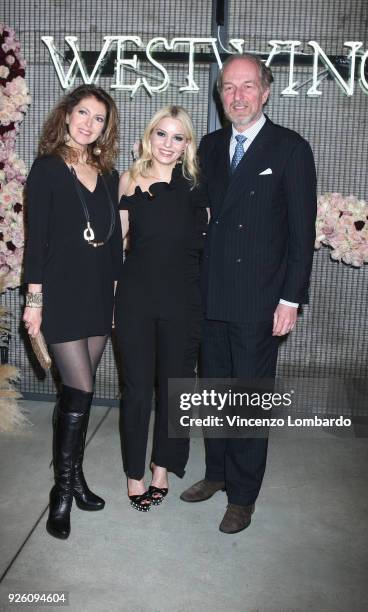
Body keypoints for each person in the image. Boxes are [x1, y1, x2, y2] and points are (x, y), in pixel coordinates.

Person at [180, 54, 317, 533]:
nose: (237, 96)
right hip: (210, 295)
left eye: (247, 86)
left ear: (266, 92)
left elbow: (302, 235)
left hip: (260, 302)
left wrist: (290, 299)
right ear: (221, 97)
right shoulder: (211, 147)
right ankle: (215, 473)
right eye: (228, 88)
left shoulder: (290, 149)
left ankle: (242, 495)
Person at [23, 84, 122, 539]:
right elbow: (36, 242)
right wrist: (35, 301)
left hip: (99, 295)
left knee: (76, 397)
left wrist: (117, 295)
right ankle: (61, 494)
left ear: (106, 127)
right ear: (66, 115)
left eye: (98, 118)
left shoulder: (108, 174)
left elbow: (115, 243)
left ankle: (76, 478)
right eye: (83, 112)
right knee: (79, 392)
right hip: (60, 295)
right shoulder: (46, 170)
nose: (89, 123)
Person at [115, 105, 207, 512]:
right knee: (136, 391)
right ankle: (134, 472)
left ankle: (162, 467)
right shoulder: (128, 180)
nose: (168, 144)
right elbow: (117, 248)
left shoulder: (197, 186)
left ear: (187, 144)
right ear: (148, 137)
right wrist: (113, 302)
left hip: (182, 302)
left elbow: (206, 248)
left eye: (178, 137)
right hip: (134, 299)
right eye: (162, 135)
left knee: (175, 391)